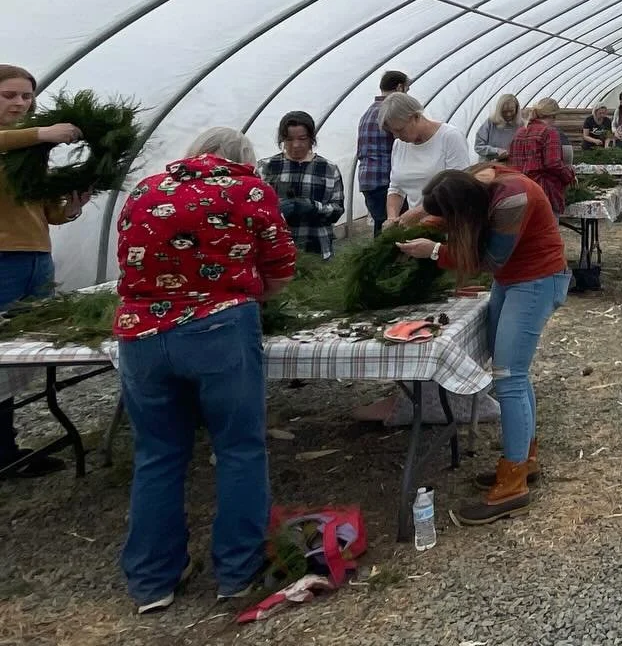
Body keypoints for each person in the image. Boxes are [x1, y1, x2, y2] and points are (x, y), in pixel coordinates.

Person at [113, 127, 296, 614]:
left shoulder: (145, 189)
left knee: (157, 454)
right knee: (238, 448)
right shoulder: (248, 189)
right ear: (244, 160)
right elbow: (280, 266)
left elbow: (126, 262)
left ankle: (153, 582)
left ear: (194, 155)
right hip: (216, 328)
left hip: (140, 334)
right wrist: (248, 291)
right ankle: (237, 572)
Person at [397, 166, 570, 526]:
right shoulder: (477, 181)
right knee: (513, 374)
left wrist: (434, 252)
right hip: (513, 280)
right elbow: (445, 213)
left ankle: (513, 487)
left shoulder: (512, 200)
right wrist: (416, 221)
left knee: (508, 376)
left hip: (537, 279)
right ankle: (524, 458)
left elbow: (490, 260)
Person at [0, 64, 89, 477]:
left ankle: (7, 445)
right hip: (3, 260)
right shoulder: (21, 141)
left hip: (36, 257)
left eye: (26, 96)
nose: (20, 103)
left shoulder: (28, 152)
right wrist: (43, 133)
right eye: (10, 96)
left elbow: (45, 211)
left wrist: (70, 208)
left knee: (23, 351)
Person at [260, 110, 344, 259]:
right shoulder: (267, 167)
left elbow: (337, 209)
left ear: (312, 139)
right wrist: (276, 210)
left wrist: (314, 207)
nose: (296, 145)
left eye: (302, 138)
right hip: (277, 251)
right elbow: (254, 209)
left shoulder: (328, 169)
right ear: (282, 140)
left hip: (316, 248)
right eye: (289, 139)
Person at [380, 93, 472, 228]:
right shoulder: (399, 145)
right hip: (418, 228)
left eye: (400, 130)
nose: (396, 136)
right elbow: (396, 188)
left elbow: (459, 188)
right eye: (393, 132)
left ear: (416, 117)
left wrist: (420, 212)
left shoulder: (449, 137)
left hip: (449, 224)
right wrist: (392, 217)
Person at [355, 70, 409, 237]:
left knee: (382, 226)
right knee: (393, 228)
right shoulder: (391, 113)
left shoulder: (368, 112)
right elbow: (403, 143)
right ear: (400, 87)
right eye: (407, 89)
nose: (407, 94)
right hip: (385, 179)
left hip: (368, 179)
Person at [507, 99, 575, 216]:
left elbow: (512, 161)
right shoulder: (549, 132)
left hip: (520, 191)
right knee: (545, 232)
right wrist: (569, 175)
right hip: (543, 191)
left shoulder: (520, 132)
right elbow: (553, 164)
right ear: (553, 115)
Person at [473, 94, 521, 162]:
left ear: (517, 109)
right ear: (499, 110)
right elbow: (478, 147)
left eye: (511, 111)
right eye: (504, 111)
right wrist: (496, 151)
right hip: (489, 165)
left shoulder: (520, 124)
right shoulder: (490, 122)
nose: (508, 114)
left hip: (512, 165)